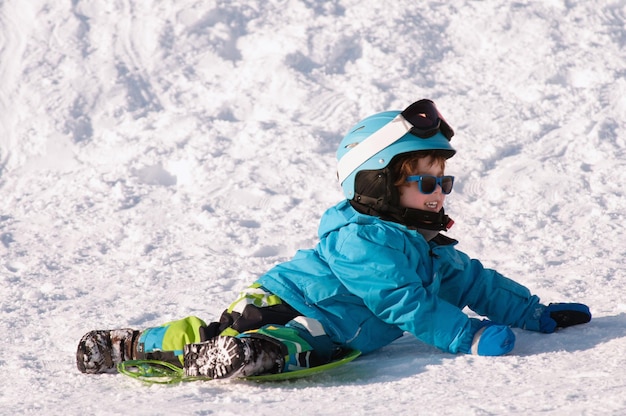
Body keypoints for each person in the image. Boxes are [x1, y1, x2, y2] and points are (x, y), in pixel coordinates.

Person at [76, 99, 592, 379]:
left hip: (334, 330)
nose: (440, 192)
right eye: (427, 180)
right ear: (378, 183)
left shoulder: (425, 245)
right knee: (234, 331)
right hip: (284, 301)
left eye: (445, 181)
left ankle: (255, 354)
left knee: (308, 347)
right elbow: (403, 301)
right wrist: (469, 338)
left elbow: (475, 283)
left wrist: (532, 314)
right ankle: (134, 345)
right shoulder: (361, 240)